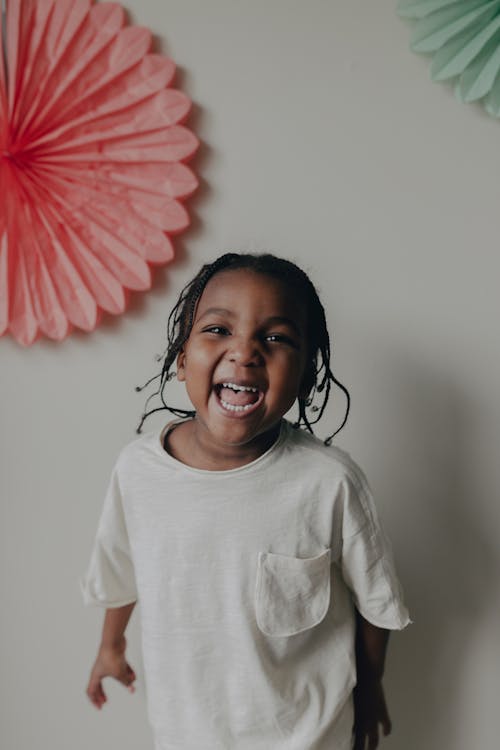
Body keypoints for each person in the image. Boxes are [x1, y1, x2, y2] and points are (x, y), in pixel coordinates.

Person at [80, 252, 411, 750]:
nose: (245, 352)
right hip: (184, 732)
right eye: (218, 330)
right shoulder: (138, 471)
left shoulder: (329, 482)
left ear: (305, 378)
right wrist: (110, 646)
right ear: (180, 359)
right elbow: (119, 568)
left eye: (276, 338)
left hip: (308, 735)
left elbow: (377, 604)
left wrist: (369, 689)